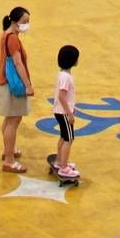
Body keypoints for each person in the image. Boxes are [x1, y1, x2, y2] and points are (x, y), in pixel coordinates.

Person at [0, 6, 32, 173]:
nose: (26, 25)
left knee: (8, 119)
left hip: (5, 82)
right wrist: (28, 85)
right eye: (24, 22)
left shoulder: (6, 35)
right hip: (14, 85)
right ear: (14, 21)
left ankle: (7, 151)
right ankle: (9, 161)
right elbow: (18, 63)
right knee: (13, 121)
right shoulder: (13, 39)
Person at [49, 44, 81, 182]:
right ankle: (63, 166)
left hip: (59, 111)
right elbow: (62, 96)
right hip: (63, 112)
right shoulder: (66, 78)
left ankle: (59, 160)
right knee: (69, 138)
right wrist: (69, 113)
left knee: (63, 136)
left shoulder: (62, 74)